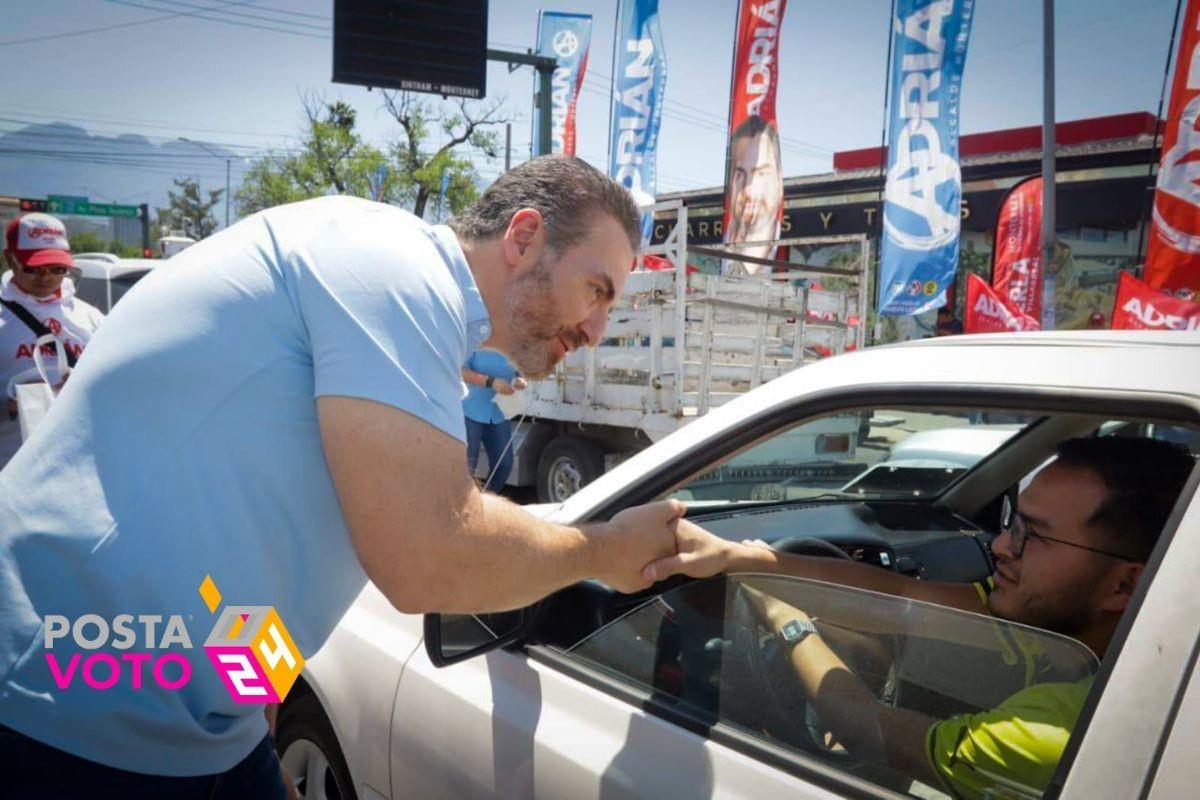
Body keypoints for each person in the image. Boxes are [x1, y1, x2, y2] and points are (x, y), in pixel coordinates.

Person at [0, 156, 705, 797]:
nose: (596, 330)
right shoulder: (394, 268)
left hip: (193, 724)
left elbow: (255, 546)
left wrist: (252, 707)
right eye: (597, 290)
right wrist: (607, 551)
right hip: (61, 710)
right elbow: (429, 556)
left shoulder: (413, 305)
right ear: (523, 237)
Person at [644, 436, 1194, 800]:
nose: (1001, 545)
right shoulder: (1080, 620)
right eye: (1011, 522)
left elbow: (866, 730)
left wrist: (785, 619)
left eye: (1034, 534)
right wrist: (747, 560)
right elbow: (903, 600)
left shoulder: (1057, 732)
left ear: (1126, 583)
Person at [0, 213, 104, 467]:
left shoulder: (90, 317)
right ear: (10, 259)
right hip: (11, 470)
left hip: (75, 468)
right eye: (33, 268)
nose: (46, 277)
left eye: (57, 268)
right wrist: (12, 407)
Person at [723, 115, 784, 275]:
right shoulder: (720, 246)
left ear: (779, 183)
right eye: (740, 174)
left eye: (761, 173)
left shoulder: (784, 244)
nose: (749, 190)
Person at [462, 348, 525, 491]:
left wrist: (518, 381)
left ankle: (487, 502)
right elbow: (461, 372)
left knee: (504, 464)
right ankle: (462, 506)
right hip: (471, 411)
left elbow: (519, 371)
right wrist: (491, 382)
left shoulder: (510, 341)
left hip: (499, 412)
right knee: (467, 468)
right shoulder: (475, 337)